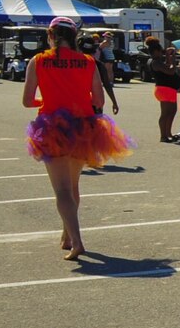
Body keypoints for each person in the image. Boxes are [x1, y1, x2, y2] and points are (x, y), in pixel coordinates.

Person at [21, 17, 134, 260]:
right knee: (73, 187)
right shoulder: (88, 62)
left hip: (52, 128)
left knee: (61, 190)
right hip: (83, 127)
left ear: (51, 35)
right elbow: (98, 101)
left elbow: (28, 100)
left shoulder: (38, 61)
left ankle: (77, 241)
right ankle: (67, 235)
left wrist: (48, 100)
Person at [144, 36, 180, 143]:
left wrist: (169, 57)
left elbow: (167, 66)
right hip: (164, 89)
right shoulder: (155, 62)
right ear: (155, 51)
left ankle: (168, 133)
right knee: (165, 113)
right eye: (161, 51)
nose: (162, 53)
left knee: (172, 111)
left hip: (168, 89)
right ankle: (163, 135)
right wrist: (173, 60)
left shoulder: (156, 61)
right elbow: (170, 71)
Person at [78, 33, 119, 116]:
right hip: (95, 104)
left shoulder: (75, 65)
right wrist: (114, 102)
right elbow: (107, 85)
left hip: (77, 104)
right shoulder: (99, 65)